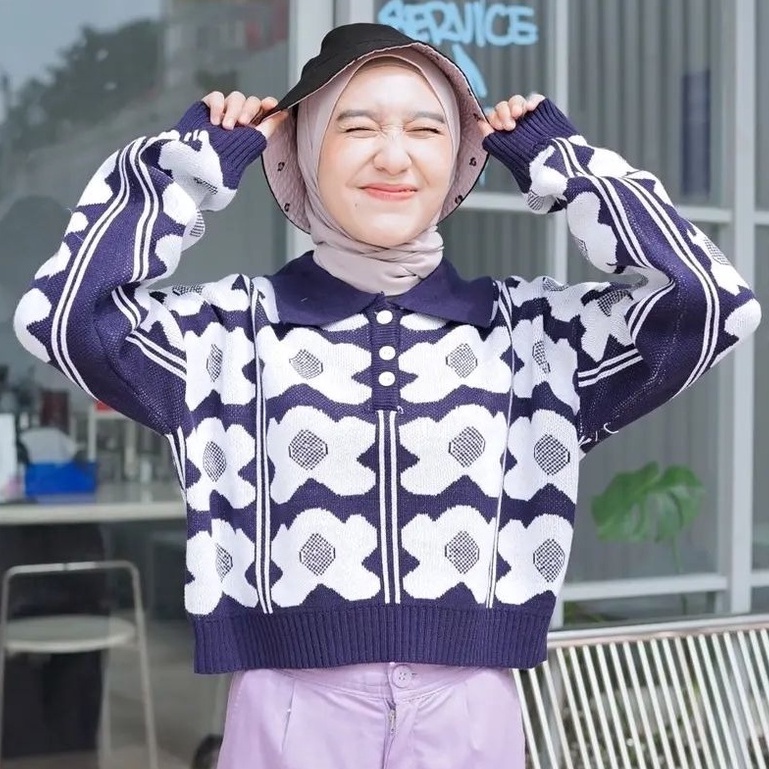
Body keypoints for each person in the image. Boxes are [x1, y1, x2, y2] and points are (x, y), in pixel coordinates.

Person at [12, 21, 760, 769]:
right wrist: (188, 168)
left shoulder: (534, 336)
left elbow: (712, 304)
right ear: (302, 151)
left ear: (460, 158)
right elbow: (66, 318)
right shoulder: (227, 333)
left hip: (472, 715)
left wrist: (562, 164)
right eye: (356, 126)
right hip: (289, 711)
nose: (394, 156)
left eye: (427, 129)